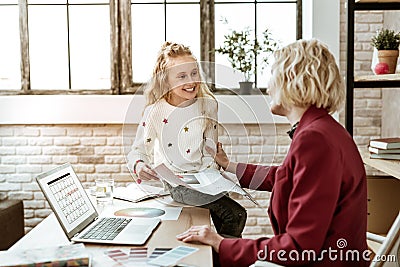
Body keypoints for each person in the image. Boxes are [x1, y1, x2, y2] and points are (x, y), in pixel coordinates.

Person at [176, 39, 369, 267]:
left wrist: (220, 242)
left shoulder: (315, 139)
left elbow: (298, 247)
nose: (268, 87)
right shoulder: (321, 129)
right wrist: (228, 164)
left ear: (291, 79)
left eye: (272, 75)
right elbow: (285, 176)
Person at [127, 41, 247, 238]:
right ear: (166, 81)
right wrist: (139, 165)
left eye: (194, 73)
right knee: (236, 215)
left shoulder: (208, 106)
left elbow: (210, 150)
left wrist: (215, 175)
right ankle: (227, 257)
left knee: (229, 215)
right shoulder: (155, 112)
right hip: (177, 183)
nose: (190, 81)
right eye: (181, 76)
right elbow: (138, 151)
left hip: (206, 179)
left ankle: (223, 256)